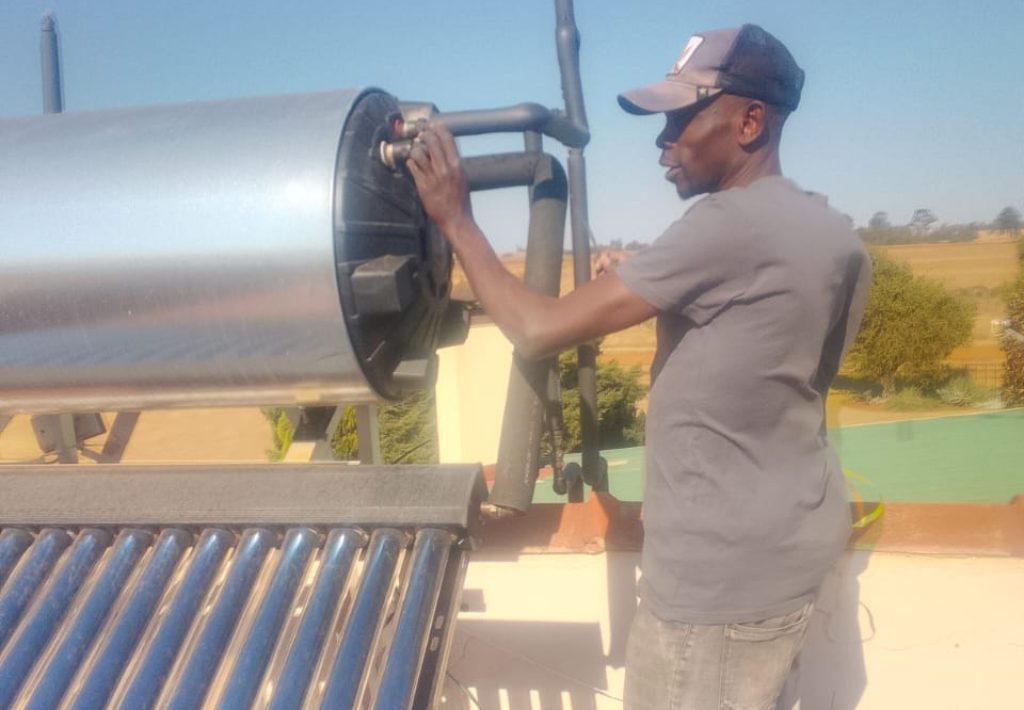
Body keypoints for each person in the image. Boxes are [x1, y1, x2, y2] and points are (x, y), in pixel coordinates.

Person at [407, 23, 871, 710]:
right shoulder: (832, 233)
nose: (664, 141)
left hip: (712, 588)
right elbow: (779, 356)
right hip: (789, 552)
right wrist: (662, 291)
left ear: (750, 121)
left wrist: (456, 222)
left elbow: (536, 330)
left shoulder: (725, 227)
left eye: (683, 118)